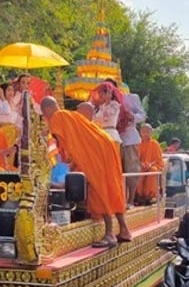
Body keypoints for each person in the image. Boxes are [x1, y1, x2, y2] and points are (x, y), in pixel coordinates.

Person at [40, 96, 131, 246]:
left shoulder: (58, 116)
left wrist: (39, 137)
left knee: (99, 189)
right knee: (111, 187)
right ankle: (124, 230)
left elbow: (54, 138)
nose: (45, 118)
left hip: (97, 152)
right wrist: (72, 163)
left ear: (47, 109)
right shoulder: (71, 116)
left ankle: (109, 235)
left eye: (44, 114)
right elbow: (79, 144)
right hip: (105, 146)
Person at [117, 92, 147, 207]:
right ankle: (119, 201)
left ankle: (130, 200)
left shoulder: (131, 97)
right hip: (113, 140)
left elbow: (142, 116)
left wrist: (132, 116)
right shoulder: (106, 101)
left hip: (129, 139)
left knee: (131, 171)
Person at [136, 124, 164, 206]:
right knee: (139, 172)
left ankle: (150, 195)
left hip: (153, 165)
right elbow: (136, 158)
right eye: (144, 132)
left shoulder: (154, 144)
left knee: (153, 171)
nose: (145, 134)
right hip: (141, 166)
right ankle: (139, 195)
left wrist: (150, 165)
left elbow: (158, 159)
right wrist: (141, 164)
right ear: (140, 133)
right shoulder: (138, 143)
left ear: (151, 133)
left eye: (147, 132)